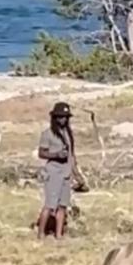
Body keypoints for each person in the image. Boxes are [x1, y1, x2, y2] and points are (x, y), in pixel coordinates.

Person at [36, 102, 77, 240]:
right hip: (53, 173)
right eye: (60, 117)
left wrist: (75, 173)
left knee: (62, 205)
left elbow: (72, 155)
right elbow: (41, 153)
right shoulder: (47, 134)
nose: (63, 120)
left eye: (65, 117)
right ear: (54, 117)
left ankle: (59, 235)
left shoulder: (68, 134)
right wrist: (56, 155)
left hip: (66, 173)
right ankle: (41, 233)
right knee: (50, 205)